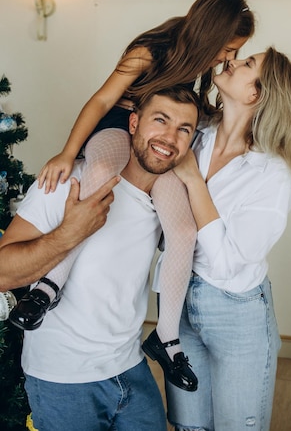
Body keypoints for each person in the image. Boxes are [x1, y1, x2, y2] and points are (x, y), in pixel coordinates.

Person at [8, 0, 254, 390]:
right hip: (118, 131)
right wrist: (69, 153)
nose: (227, 58)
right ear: (210, 34)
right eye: (227, 49)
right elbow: (102, 100)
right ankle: (47, 287)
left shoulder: (203, 68)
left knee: (184, 231)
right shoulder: (150, 50)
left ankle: (167, 338)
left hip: (157, 146)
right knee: (100, 176)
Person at [0, 86, 200, 431]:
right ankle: (49, 289)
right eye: (160, 120)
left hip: (131, 369)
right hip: (63, 380)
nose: (169, 137)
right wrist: (69, 231)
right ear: (133, 123)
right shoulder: (66, 183)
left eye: (184, 129)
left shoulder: (167, 202)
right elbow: (2, 273)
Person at [158, 48, 291, 431]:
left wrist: (193, 180)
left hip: (236, 312)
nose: (232, 63)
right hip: (177, 305)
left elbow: (227, 262)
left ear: (255, 94)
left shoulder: (271, 175)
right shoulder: (196, 134)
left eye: (246, 65)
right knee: (188, 425)